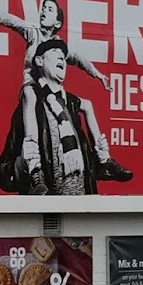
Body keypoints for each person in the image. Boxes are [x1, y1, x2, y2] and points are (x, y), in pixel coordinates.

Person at [0, 0, 131, 181]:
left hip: (52, 92)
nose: (43, 11)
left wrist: (97, 74)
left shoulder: (59, 46)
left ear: (58, 22)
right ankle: (34, 165)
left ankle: (103, 159)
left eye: (49, 9)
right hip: (34, 88)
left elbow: (78, 58)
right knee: (29, 94)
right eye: (43, 8)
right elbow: (15, 22)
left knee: (87, 105)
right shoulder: (33, 32)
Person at [17, 41, 104, 196]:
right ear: (39, 61)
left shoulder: (70, 105)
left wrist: (100, 154)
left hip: (81, 204)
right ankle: (35, 171)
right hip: (49, 206)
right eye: (54, 51)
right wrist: (22, 164)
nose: (61, 57)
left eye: (63, 57)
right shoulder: (31, 101)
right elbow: (3, 173)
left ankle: (106, 161)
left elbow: (86, 165)